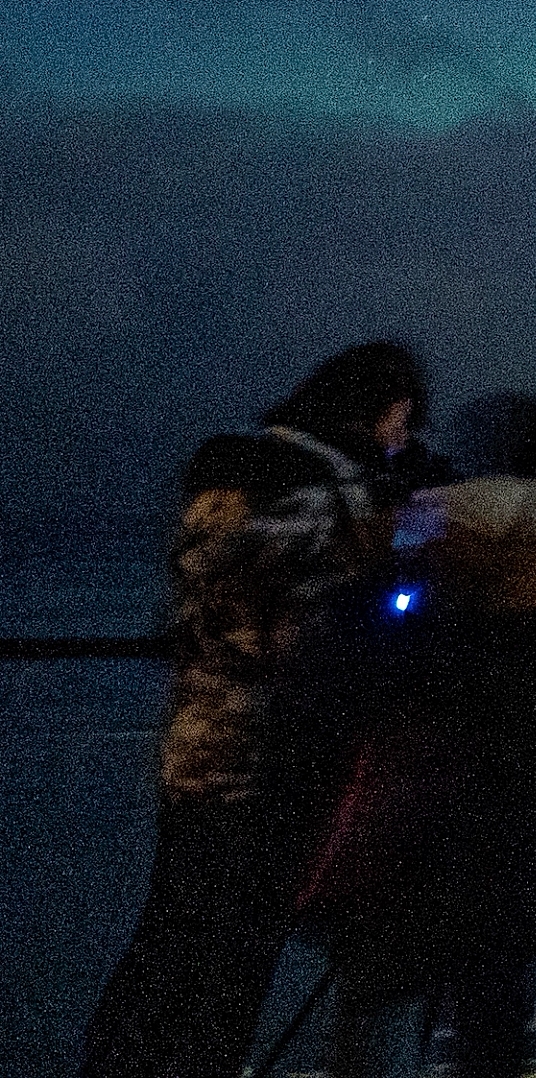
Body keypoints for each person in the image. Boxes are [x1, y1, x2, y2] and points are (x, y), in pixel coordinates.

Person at [80, 340, 428, 1078]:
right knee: (230, 966)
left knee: (168, 943)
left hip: (200, 748)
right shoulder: (326, 497)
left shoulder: (241, 477)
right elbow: (325, 619)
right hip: (275, 760)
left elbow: (220, 603)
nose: (404, 436)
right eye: (401, 417)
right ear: (374, 409)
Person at [297, 394, 536, 1078]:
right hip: (533, 807)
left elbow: (356, 643)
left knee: (373, 985)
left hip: (416, 794)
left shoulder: (432, 533)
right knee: (492, 1005)